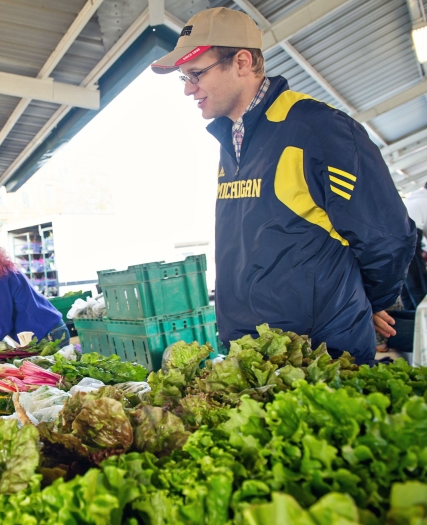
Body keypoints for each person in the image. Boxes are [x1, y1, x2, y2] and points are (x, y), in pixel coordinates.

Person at [151, 7, 416, 364]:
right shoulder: (232, 142)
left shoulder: (318, 129)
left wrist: (366, 301)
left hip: (319, 356)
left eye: (196, 74)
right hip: (252, 354)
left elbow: (388, 235)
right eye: (183, 78)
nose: (188, 90)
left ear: (242, 62)